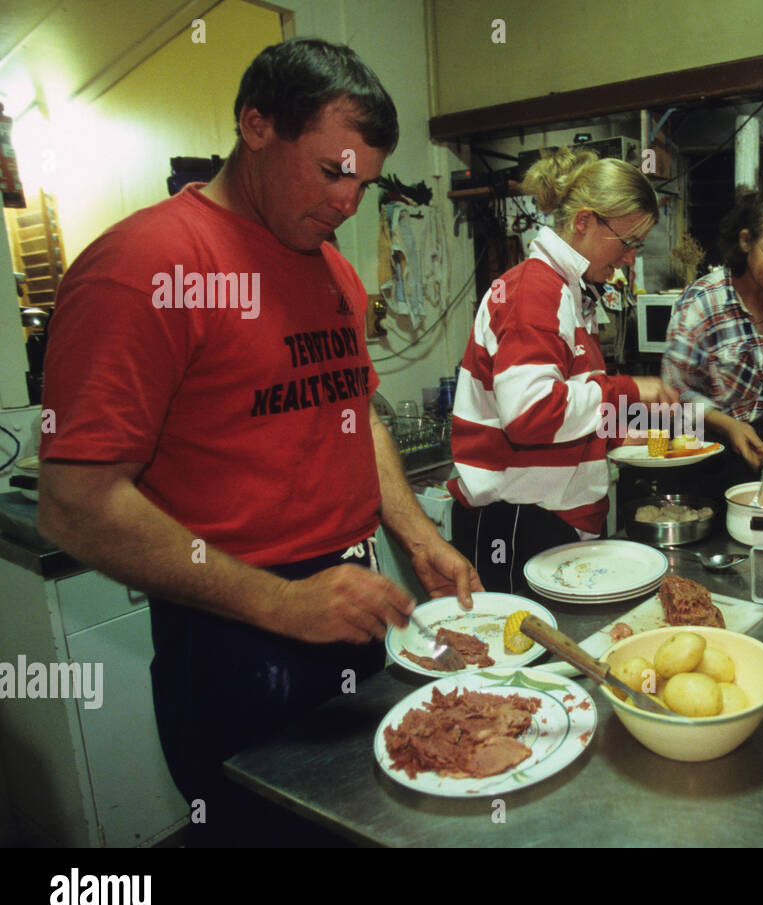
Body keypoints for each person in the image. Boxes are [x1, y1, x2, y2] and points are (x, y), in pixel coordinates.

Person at [37, 38, 481, 846]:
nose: (348, 202)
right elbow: (76, 505)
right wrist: (283, 601)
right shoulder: (144, 266)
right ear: (256, 126)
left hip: (349, 603)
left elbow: (354, 412)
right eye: (332, 171)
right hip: (234, 632)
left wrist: (417, 537)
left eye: (364, 183)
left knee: (364, 824)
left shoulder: (329, 267)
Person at [449, 147, 678, 593]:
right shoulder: (535, 289)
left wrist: (617, 435)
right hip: (520, 521)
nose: (630, 259)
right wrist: (630, 390)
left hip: (550, 519)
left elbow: (567, 404)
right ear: (584, 221)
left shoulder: (569, 292)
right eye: (627, 243)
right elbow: (530, 415)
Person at [660, 188, 763, 472]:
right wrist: (729, 425)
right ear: (746, 241)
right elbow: (674, 395)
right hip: (713, 454)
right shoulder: (703, 303)